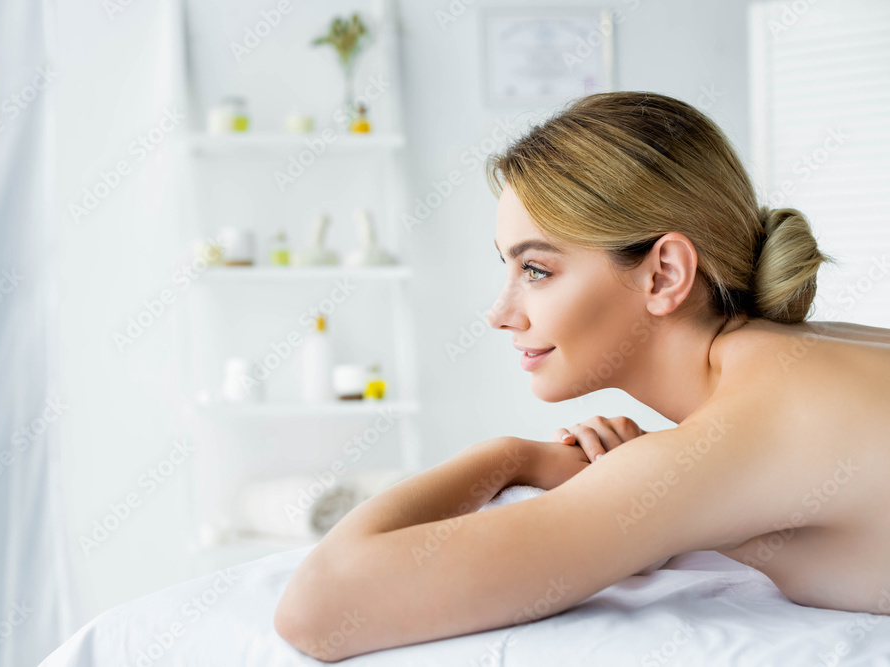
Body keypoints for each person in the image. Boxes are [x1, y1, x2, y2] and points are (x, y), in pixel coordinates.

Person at [274, 91, 890, 662]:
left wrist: (507, 456)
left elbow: (318, 608)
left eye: (536, 270)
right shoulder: (799, 370)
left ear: (664, 274)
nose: (499, 314)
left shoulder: (739, 430)